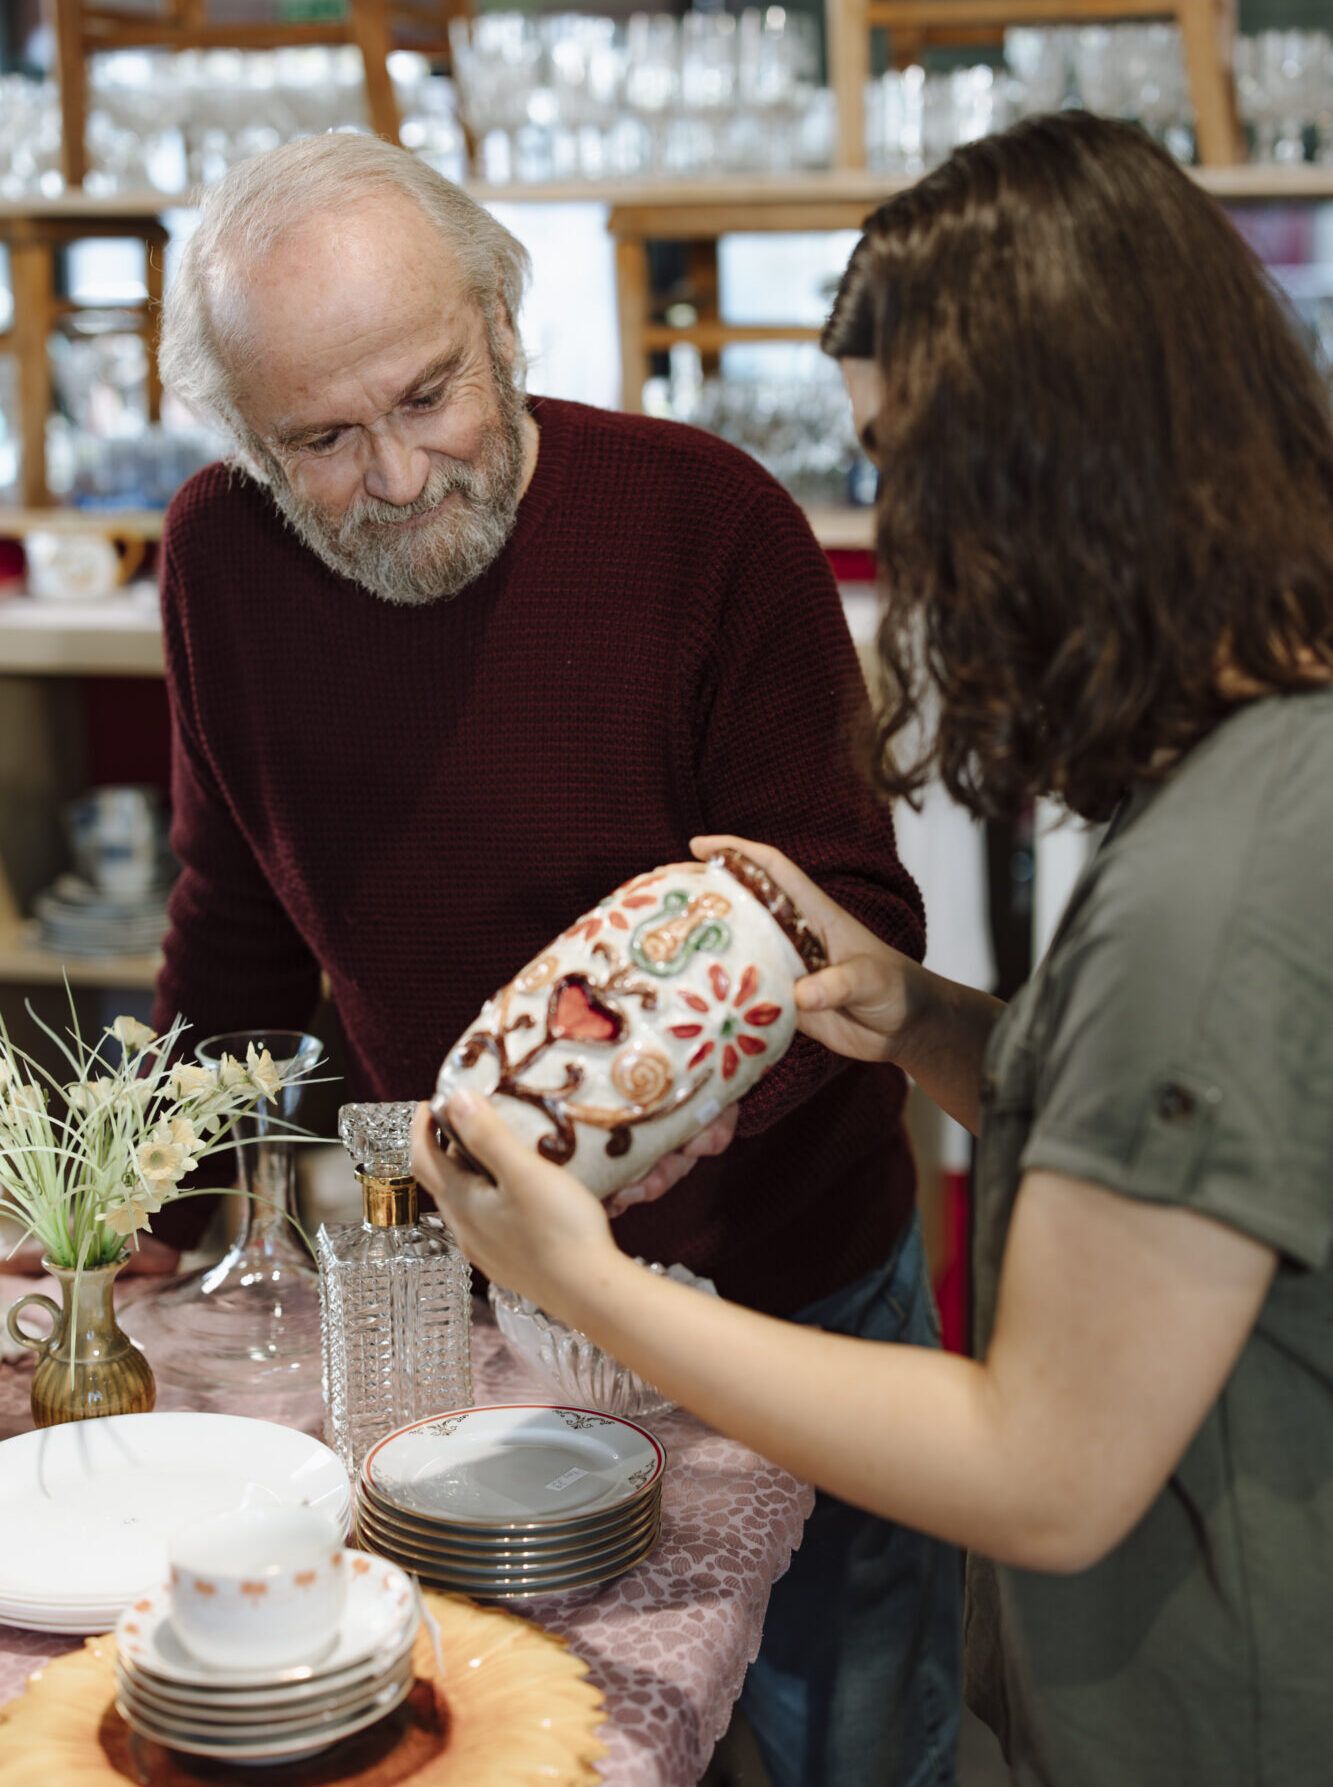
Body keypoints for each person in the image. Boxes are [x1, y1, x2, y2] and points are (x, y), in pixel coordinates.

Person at [412, 111, 1333, 1787]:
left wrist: (581, 1281)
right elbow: (1180, 1177)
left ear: (1056, 473)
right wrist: (918, 1020)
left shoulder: (1216, 882)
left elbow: (1042, 1467)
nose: (898, 533)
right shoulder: (1276, 747)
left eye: (906, 467)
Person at [148, 134, 959, 1786]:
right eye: (319, 438)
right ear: (243, 437)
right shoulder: (220, 562)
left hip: (783, 1275)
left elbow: (855, 908)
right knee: (534, 1732)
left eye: (428, 395)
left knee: (839, 1742)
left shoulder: (703, 522)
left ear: (507, 323)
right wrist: (134, 1221)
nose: (394, 476)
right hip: (474, 1310)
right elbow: (233, 924)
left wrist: (716, 1089)